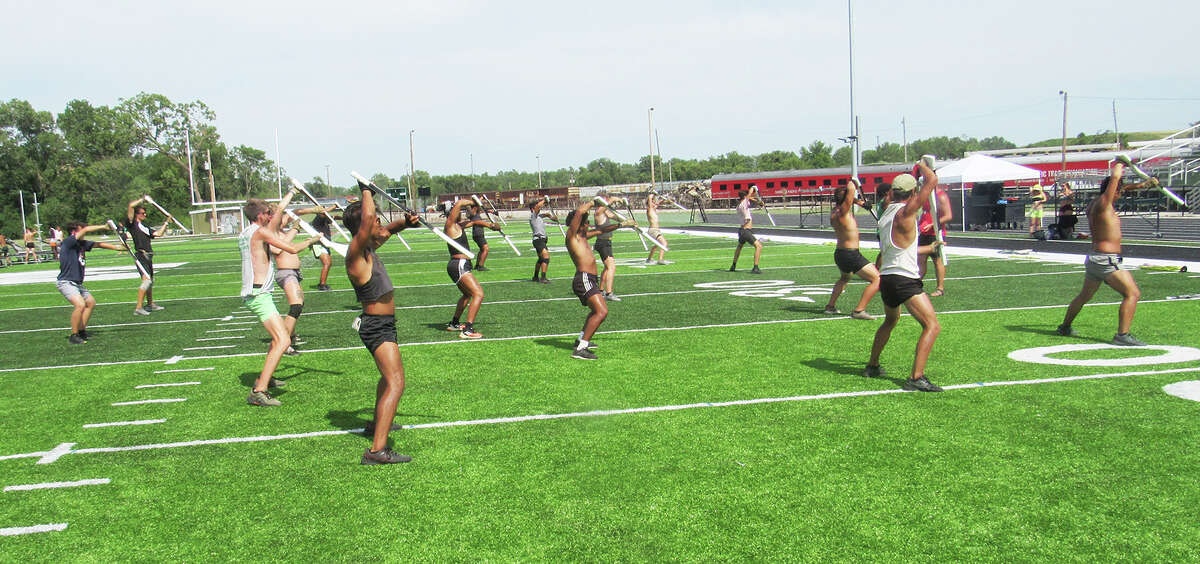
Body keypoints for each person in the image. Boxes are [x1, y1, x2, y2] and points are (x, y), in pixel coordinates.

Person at [344, 180, 422, 464]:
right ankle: (376, 451)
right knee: (396, 382)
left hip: (383, 323)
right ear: (363, 227)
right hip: (377, 326)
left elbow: (386, 231)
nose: (380, 224)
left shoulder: (368, 247)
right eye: (375, 220)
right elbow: (368, 221)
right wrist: (367, 190)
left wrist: (405, 222)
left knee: (387, 378)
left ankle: (378, 424)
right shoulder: (355, 252)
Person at [1057, 161, 1157, 346]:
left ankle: (1064, 327)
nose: (1120, 194)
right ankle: (1122, 335)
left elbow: (1121, 187)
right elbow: (1116, 181)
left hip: (1096, 259)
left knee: (1084, 296)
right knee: (1132, 293)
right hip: (1106, 260)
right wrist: (1120, 165)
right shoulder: (1104, 204)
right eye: (1118, 190)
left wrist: (1143, 185)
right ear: (1112, 190)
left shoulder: (1095, 203)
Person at [864, 162, 944, 392]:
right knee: (932, 326)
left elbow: (902, 247)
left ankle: (873, 365)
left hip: (887, 278)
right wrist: (922, 165)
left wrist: (929, 249)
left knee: (890, 321)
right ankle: (916, 377)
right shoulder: (906, 211)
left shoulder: (885, 213)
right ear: (911, 193)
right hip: (903, 279)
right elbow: (932, 182)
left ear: (891, 193)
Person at [239, 189, 320, 407]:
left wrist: (292, 192)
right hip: (259, 295)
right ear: (260, 216)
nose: (271, 216)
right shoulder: (260, 232)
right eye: (267, 213)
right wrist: (315, 239)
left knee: (278, 338)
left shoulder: (247, 231)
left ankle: (266, 377)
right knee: (284, 340)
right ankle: (258, 391)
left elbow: (281, 211)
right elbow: (291, 249)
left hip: (256, 293)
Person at [566, 198, 634, 360]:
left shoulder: (583, 236)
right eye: (587, 222)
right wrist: (592, 202)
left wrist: (622, 225)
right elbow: (580, 212)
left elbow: (602, 230)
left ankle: (580, 341)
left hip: (589, 279)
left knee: (596, 311)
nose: (589, 224)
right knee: (602, 311)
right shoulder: (572, 236)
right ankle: (581, 349)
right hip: (583, 279)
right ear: (578, 224)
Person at [57, 222, 123, 344]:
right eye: (81, 230)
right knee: (80, 305)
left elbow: (99, 244)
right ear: (74, 232)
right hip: (66, 282)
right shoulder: (69, 242)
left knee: (90, 303)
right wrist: (104, 227)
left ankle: (82, 331)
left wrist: (118, 247)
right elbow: (87, 229)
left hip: (77, 283)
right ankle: (74, 335)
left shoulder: (82, 244)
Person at [824, 179, 880, 320]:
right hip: (851, 254)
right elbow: (850, 191)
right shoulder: (843, 211)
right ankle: (859, 310)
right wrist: (853, 180)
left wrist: (860, 203)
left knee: (844, 278)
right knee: (877, 279)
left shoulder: (834, 212)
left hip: (840, 254)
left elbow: (847, 198)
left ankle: (830, 307)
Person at [444, 199, 499, 339]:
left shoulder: (458, 226)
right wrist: (475, 200)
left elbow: (474, 222)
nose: (462, 213)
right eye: (459, 211)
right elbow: (460, 203)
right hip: (459, 263)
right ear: (452, 212)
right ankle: (468, 330)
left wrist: (490, 225)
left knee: (467, 295)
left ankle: (454, 323)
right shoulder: (450, 225)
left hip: (459, 264)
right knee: (478, 294)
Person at [268, 211, 306, 355]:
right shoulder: (270, 233)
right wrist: (295, 229)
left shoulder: (281, 231)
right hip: (286, 273)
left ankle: (290, 335)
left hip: (294, 273)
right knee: (296, 306)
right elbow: (278, 249)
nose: (284, 218)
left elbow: (294, 213)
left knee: (299, 305)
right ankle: (284, 342)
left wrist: (315, 210)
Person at [126, 196, 171, 316]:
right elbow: (131, 205)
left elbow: (158, 234)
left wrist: (166, 223)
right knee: (146, 281)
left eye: (145, 213)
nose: (144, 215)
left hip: (149, 256)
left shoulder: (144, 227)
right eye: (142, 213)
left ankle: (150, 304)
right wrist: (143, 199)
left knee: (151, 282)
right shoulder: (133, 224)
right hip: (141, 255)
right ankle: (138, 307)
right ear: (137, 214)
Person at [917, 184, 952, 297]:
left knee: (937, 260)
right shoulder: (926, 195)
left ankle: (940, 288)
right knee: (920, 259)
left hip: (936, 233)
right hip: (924, 232)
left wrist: (932, 224)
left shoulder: (941, 196)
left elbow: (948, 216)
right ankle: (916, 285)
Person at [593, 192, 623, 301]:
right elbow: (607, 204)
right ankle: (609, 293)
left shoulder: (604, 211)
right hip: (603, 243)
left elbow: (614, 216)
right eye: (605, 198)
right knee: (611, 267)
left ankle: (601, 290)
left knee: (607, 267)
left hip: (606, 243)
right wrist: (614, 199)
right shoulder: (598, 211)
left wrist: (627, 222)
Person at [298, 205, 336, 291]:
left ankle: (322, 283)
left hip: (325, 244)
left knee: (328, 264)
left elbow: (333, 217)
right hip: (318, 244)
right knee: (327, 263)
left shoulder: (324, 218)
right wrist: (334, 206)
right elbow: (324, 212)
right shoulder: (318, 219)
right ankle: (322, 285)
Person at [730, 187, 763, 274]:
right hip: (746, 230)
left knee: (739, 247)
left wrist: (758, 202)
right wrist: (754, 187)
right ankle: (755, 267)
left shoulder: (739, 206)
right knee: (759, 246)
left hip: (741, 230)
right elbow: (750, 192)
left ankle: (733, 265)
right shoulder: (744, 203)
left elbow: (750, 199)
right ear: (745, 197)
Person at [528, 197, 556, 283]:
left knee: (541, 259)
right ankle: (543, 278)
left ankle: (535, 277)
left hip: (542, 240)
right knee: (546, 258)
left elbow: (546, 214)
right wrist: (544, 200)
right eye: (537, 206)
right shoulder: (533, 215)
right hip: (538, 240)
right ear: (533, 208)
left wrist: (552, 217)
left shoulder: (538, 216)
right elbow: (537, 207)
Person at [644, 193, 670, 265]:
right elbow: (650, 199)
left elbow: (658, 203)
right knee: (664, 243)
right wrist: (651, 195)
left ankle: (649, 259)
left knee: (657, 245)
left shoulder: (653, 209)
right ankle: (660, 260)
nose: (655, 203)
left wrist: (665, 199)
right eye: (653, 202)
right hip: (653, 230)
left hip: (655, 230)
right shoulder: (650, 209)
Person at [468, 202, 491, 271]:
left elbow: (484, 210)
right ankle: (481, 266)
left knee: (482, 249)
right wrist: (480, 198)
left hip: (478, 234)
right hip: (478, 234)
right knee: (486, 249)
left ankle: (477, 265)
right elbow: (477, 204)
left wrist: (492, 212)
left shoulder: (476, 213)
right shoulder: (473, 213)